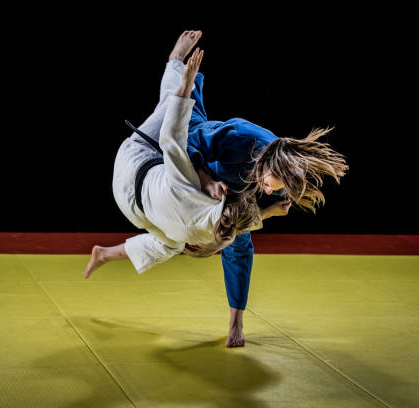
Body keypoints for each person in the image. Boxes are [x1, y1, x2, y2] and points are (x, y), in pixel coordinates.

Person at [183, 53, 349, 347]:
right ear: (269, 164)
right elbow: (190, 141)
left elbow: (254, 211)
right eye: (273, 185)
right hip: (198, 152)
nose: (271, 192)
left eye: (278, 190)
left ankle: (236, 323)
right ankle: (185, 72)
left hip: (235, 187)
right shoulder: (239, 136)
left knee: (239, 244)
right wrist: (206, 180)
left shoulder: (283, 176)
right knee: (182, 104)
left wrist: (268, 210)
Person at [83, 32, 277, 281]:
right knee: (170, 244)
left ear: (223, 195)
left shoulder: (189, 186)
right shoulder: (208, 236)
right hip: (131, 209)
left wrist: (186, 86)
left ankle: (174, 58)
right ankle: (104, 254)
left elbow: (172, 140)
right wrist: (269, 212)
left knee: (171, 108)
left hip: (132, 165)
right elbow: (240, 223)